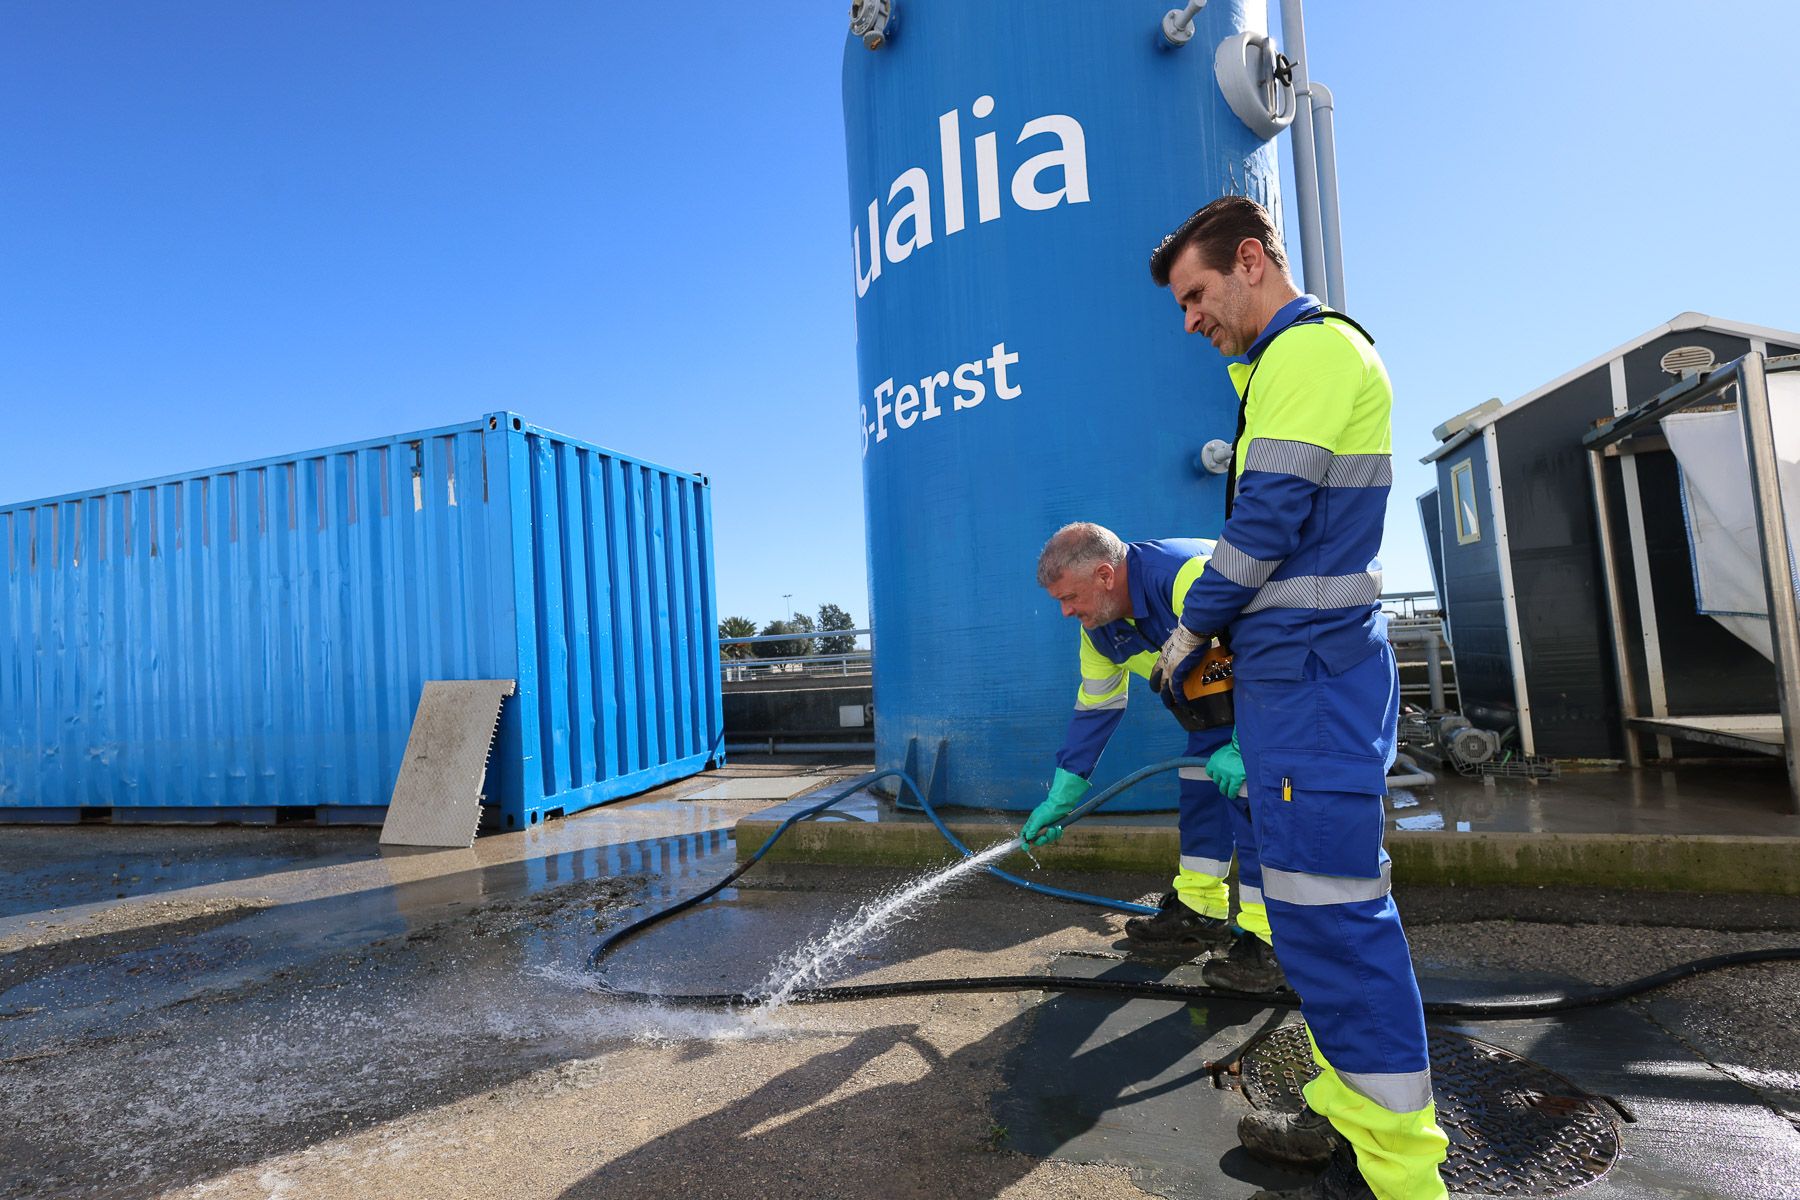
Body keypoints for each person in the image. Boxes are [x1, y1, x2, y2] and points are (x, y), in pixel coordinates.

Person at [1145, 195, 1449, 1200]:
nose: (1190, 320)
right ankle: (1347, 1113)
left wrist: (1190, 629)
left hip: (1312, 681)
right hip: (1297, 682)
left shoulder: (1308, 355)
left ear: (1250, 260)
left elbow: (1268, 523)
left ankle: (1396, 1175)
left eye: (1196, 295)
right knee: (1311, 920)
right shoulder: (1279, 367)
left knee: (1334, 922)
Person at [1020, 523, 1269, 955]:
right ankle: (1199, 911)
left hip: (1273, 703)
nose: (1065, 612)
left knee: (1258, 808)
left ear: (1105, 575)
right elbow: (1096, 710)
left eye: (1070, 597)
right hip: (1212, 713)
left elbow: (1268, 652)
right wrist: (1061, 797)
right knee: (1200, 795)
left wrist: (1248, 743)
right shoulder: (1098, 632)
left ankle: (1269, 939)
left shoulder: (1187, 576)